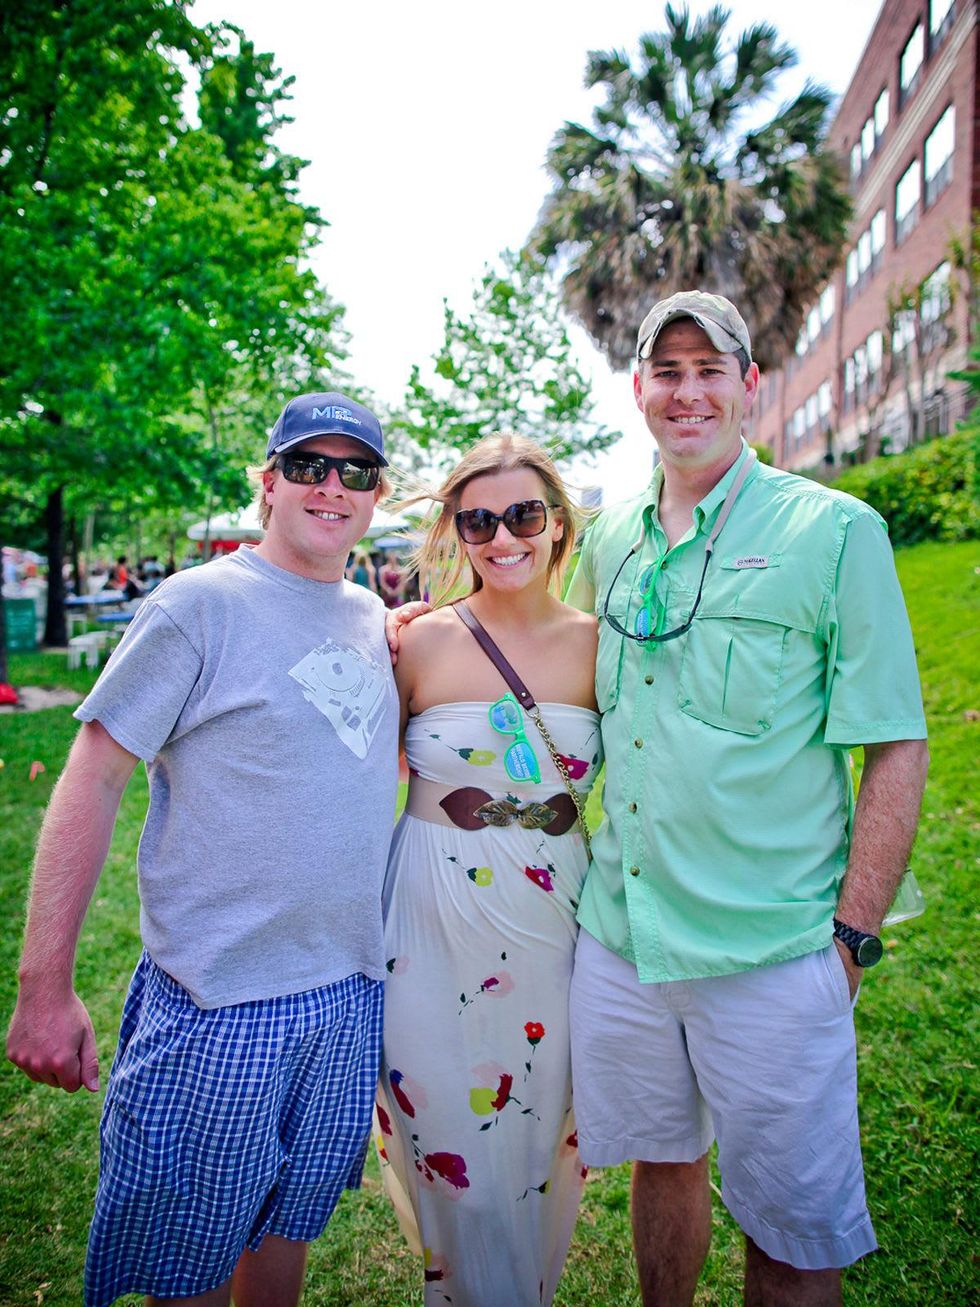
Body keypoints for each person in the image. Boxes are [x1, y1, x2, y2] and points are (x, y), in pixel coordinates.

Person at [565, 291, 929, 1306]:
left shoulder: (834, 531)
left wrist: (849, 936)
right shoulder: (606, 541)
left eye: (708, 368)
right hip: (621, 936)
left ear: (748, 386)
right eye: (665, 371)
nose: (687, 391)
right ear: (637, 389)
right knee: (661, 1160)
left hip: (771, 946)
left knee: (792, 1226)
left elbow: (894, 743)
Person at [6, 390, 400, 1307]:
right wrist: (43, 987)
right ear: (268, 483)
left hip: (348, 993)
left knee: (285, 1235)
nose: (331, 486)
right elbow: (92, 774)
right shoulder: (197, 604)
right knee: (185, 1266)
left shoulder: (371, 615)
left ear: (377, 494)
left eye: (355, 471)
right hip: (219, 1000)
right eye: (308, 465)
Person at [375, 434, 601, 1306]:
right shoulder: (414, 643)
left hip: (554, 925)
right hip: (429, 917)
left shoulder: (601, 645)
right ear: (456, 531)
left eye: (523, 514)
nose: (502, 536)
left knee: (538, 1138)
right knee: (447, 1132)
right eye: (479, 519)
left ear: (556, 527)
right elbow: (353, 777)